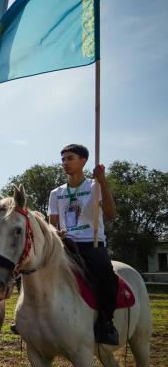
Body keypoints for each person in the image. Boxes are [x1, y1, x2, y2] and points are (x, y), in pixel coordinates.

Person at [48, 143, 119, 345]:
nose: (65, 163)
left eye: (70, 158)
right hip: (64, 245)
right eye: (63, 159)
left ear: (83, 161)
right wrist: (56, 233)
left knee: (107, 276)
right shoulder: (56, 193)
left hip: (91, 242)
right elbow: (52, 223)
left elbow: (111, 213)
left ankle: (106, 323)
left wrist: (103, 181)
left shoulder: (94, 187)